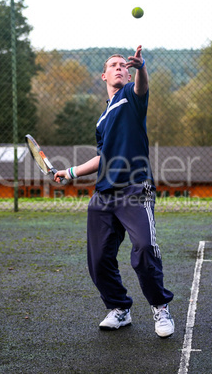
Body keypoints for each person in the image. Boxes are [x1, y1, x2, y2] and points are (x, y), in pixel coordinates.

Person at [54, 45, 174, 337]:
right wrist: (70, 172)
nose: (121, 67)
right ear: (103, 75)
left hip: (135, 188)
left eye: (125, 65)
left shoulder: (132, 97)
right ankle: (119, 309)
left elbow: (142, 86)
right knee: (98, 259)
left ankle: (160, 307)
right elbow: (102, 157)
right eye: (115, 65)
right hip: (103, 195)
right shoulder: (101, 120)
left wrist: (142, 67)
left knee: (145, 248)